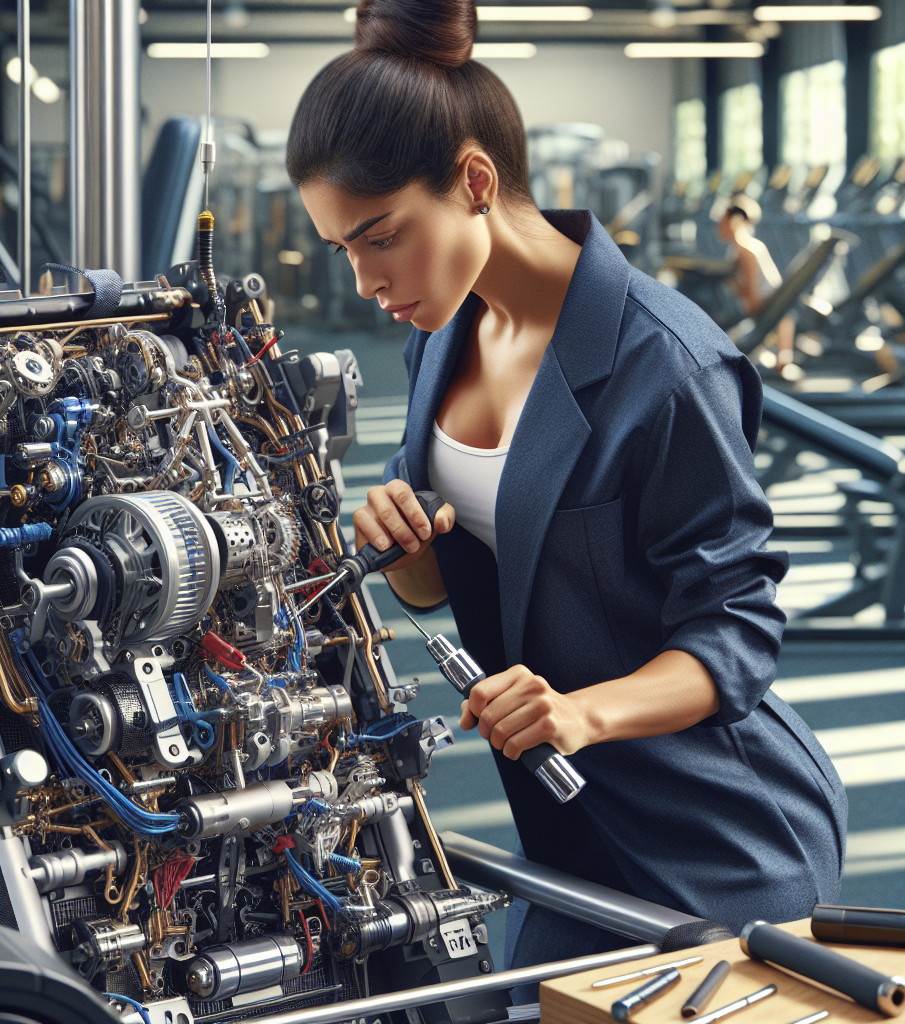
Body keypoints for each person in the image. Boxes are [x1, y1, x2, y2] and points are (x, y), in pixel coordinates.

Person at [286, 0, 847, 1002]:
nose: (368, 280)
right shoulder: (438, 334)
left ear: (474, 181)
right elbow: (462, 572)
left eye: (380, 236)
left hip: (711, 829)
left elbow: (738, 633)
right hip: (566, 822)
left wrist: (579, 711)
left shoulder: (664, 365)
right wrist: (405, 541)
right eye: (343, 251)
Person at [716, 193, 796, 369]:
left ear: (734, 221)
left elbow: (752, 291)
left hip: (763, 305)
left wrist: (751, 319)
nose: (718, 226)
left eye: (722, 221)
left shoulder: (748, 251)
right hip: (760, 304)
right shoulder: (738, 250)